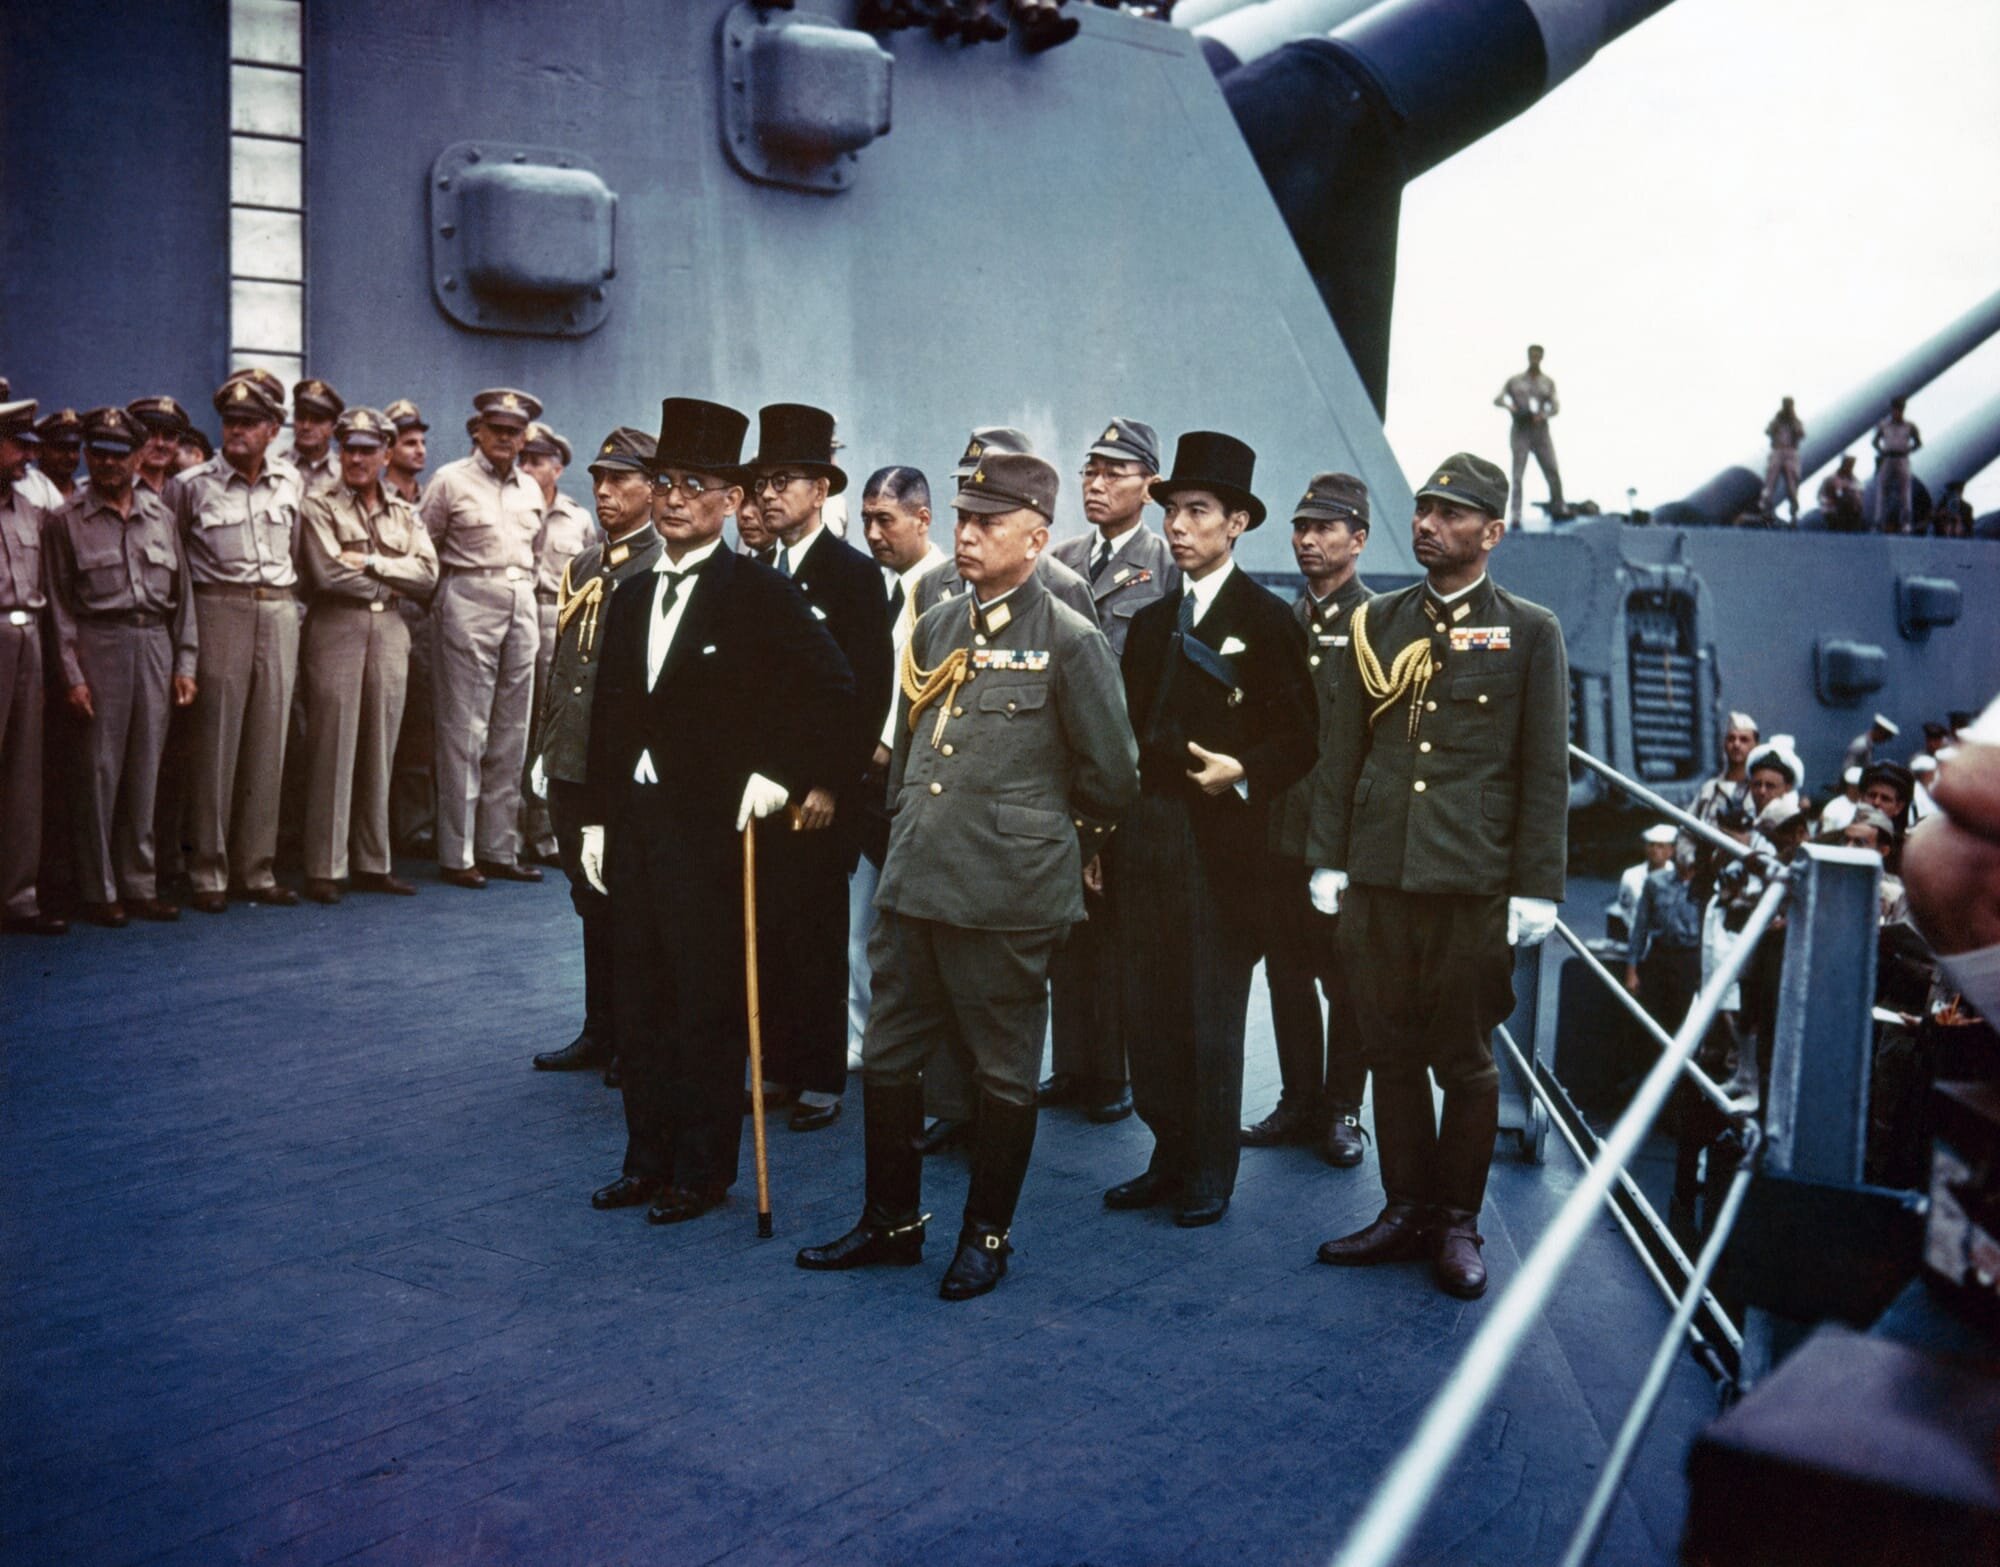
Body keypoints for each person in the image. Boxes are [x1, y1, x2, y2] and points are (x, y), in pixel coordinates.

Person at [797, 449, 1138, 1298]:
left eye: (990, 522)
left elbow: (1113, 776)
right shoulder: (937, 623)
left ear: (1036, 536)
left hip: (1006, 894)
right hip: (918, 880)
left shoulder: (1069, 637)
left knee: (1001, 1069)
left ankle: (986, 1233)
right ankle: (892, 1221)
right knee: (890, 1053)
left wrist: (1048, 845)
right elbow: (914, 751)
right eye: (963, 519)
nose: (970, 534)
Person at [577, 396, 854, 1227]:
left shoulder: (756, 594)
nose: (669, 499)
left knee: (704, 1003)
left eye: (692, 485)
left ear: (731, 502)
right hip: (637, 827)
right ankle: (645, 1159)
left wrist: (781, 770)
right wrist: (595, 818)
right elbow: (611, 712)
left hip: (715, 833)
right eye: (663, 482)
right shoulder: (629, 596)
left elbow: (834, 688)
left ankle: (701, 1172)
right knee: (639, 1000)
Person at [1308, 452, 1569, 1299]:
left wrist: (1538, 885)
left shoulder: (1531, 631)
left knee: (1462, 1056)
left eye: (1451, 514)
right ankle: (1405, 1208)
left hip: (1470, 878)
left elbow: (1542, 770)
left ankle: (1458, 1221)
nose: (1427, 524)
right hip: (1382, 873)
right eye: (1423, 510)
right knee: (1387, 1049)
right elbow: (1341, 751)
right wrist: (1330, 858)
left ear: (1492, 532)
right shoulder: (1377, 620)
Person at [1106, 432, 1317, 1227]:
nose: (1180, 526)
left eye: (1199, 511)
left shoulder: (1265, 621)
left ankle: (1210, 1169)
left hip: (1222, 844)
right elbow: (1126, 729)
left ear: (1237, 524)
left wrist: (1242, 769)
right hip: (1149, 830)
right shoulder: (1157, 621)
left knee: (1208, 1011)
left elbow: (1303, 739)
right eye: (1175, 511)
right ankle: (1167, 1151)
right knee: (1149, 1006)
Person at [743, 402, 895, 1132]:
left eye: (787, 480)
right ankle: (776, 1066)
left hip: (817, 791)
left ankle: (822, 1076)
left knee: (818, 933)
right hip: (758, 788)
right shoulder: (752, 573)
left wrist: (832, 783)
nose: (770, 494)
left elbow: (866, 693)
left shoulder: (854, 577)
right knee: (767, 928)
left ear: (821, 489)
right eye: (763, 481)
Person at [1041, 417, 1179, 1123]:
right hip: (1066, 772)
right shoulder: (1059, 558)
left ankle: (1116, 1070)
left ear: (1149, 485)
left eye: (1114, 473)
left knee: (1124, 925)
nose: (1095, 484)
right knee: (1070, 927)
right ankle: (1074, 1063)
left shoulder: (1166, 565)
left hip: (1128, 774)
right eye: (1090, 471)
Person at [1245, 470, 1374, 1166]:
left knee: (1346, 980)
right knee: (1286, 973)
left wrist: (1352, 850)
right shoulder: (1283, 623)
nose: (1308, 540)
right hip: (1279, 834)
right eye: (1300, 527)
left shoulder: (1377, 624)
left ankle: (1343, 1108)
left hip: (1340, 842)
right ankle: (1298, 1101)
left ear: (1358, 538)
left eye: (1325, 528)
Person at [528, 426, 662, 1080]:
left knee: (630, 897)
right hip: (574, 756)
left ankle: (637, 1034)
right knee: (588, 894)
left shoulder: (657, 565)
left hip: (621, 764)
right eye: (600, 481)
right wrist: (547, 747)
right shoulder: (585, 564)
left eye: (620, 481)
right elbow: (565, 665)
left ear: (652, 488)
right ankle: (599, 1027)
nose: (605, 493)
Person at [46, 408, 198, 926]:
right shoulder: (65, 521)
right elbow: (60, 606)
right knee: (98, 773)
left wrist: (186, 662)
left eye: (118, 455)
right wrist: (72, 675)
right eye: (98, 454)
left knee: (145, 770)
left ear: (137, 458)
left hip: (154, 643)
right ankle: (100, 889)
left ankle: (140, 882)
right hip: (99, 644)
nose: (107, 465)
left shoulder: (161, 515)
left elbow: (184, 600)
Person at [852, 465, 957, 1146]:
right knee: (870, 920)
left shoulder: (945, 587)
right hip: (872, 783)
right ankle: (867, 1042)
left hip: (922, 785)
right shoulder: (878, 587)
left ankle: (944, 1083)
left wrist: (888, 749)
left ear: (923, 518)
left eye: (885, 519)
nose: (872, 533)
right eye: (865, 519)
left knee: (928, 939)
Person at [174, 373, 306, 912]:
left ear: (272, 429)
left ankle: (257, 867)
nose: (237, 431)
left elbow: (295, 550)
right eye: (230, 422)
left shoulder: (291, 482)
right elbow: (179, 567)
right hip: (218, 608)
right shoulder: (192, 486)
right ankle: (207, 870)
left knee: (267, 744)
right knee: (215, 744)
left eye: (249, 423)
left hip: (276, 610)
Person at [296, 408, 438, 904]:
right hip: (338, 622)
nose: (356, 458)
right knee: (332, 746)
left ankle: (373, 861)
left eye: (366, 449)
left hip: (391, 627)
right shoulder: (318, 505)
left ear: (384, 453)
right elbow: (329, 573)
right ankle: (325, 866)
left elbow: (428, 575)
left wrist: (375, 561)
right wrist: (397, 571)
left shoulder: (403, 511)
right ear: (339, 452)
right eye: (348, 448)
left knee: (382, 744)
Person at [420, 388, 548, 888]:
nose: (504, 438)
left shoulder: (532, 489)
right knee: (464, 731)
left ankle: (500, 847)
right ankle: (458, 853)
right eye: (496, 428)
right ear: (478, 430)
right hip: (468, 597)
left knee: (512, 732)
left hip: (521, 601)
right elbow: (424, 548)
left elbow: (534, 554)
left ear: (524, 438)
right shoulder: (450, 481)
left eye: (514, 431)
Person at [914, 427, 1098, 622]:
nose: (974, 489)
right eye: (966, 480)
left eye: (994, 481)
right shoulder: (932, 583)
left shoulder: (1064, 587)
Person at [0, 400, 64, 934]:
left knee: (25, 774)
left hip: (28, 639)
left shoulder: (31, 508)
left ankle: (19, 896)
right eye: (18, 443)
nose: (28, 455)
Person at [520, 422, 597, 866]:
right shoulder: (514, 506)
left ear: (558, 466)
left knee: (549, 725)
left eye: (537, 460)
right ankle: (508, 833)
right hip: (518, 611)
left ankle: (545, 831)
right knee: (512, 730)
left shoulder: (577, 516)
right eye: (523, 460)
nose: (528, 468)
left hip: (559, 616)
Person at [381, 399, 437, 856]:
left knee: (420, 728)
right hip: (385, 615)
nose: (419, 450)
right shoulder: (377, 498)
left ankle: (414, 827)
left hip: (425, 623)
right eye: (408, 442)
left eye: (422, 441)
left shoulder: (430, 496)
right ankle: (376, 829)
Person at [1495, 345, 1563, 528]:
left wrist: (1543, 415)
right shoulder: (1515, 381)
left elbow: (1556, 406)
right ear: (1528, 356)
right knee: (1517, 475)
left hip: (1540, 431)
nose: (1534, 358)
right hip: (1520, 431)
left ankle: (1558, 508)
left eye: (1538, 355)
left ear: (1541, 357)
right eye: (1532, 355)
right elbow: (1498, 399)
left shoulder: (1547, 382)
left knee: (1552, 470)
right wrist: (1511, 407)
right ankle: (1516, 515)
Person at [1609, 823, 1678, 944]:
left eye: (1661, 846)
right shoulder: (1630, 875)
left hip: (1667, 941)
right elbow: (1625, 906)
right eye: (1651, 845)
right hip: (1637, 936)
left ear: (1670, 851)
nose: (1654, 850)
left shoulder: (1677, 875)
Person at [282, 379, 345, 495]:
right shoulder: (276, 467)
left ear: (333, 427)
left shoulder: (344, 473)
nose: (306, 426)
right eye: (301, 417)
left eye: (317, 419)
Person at [1870, 396, 1922, 533]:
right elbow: (1875, 441)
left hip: (1902, 458)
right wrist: (1882, 450)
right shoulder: (1884, 425)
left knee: (1905, 492)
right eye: (1895, 409)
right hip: (1887, 458)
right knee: (1882, 490)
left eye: (1900, 409)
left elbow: (1918, 443)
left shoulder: (1910, 426)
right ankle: (1879, 522)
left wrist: (1908, 449)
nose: (1897, 412)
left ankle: (1905, 523)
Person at [126, 397, 190, 498]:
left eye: (169, 436)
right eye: (151, 435)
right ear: (133, 438)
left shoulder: (185, 493)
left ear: (178, 444)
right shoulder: (115, 487)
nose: (160, 444)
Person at [1760, 397, 1805, 524]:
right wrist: (1777, 423)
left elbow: (1801, 434)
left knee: (1792, 485)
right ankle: (1765, 510)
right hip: (1778, 451)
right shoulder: (1777, 420)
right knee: (1770, 482)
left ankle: (1793, 514)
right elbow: (1768, 431)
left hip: (1790, 452)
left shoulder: (1795, 421)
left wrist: (1793, 423)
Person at [32, 407, 84, 504]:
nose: (70, 456)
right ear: (39, 450)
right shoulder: (26, 494)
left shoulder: (85, 495)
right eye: (61, 448)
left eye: (74, 448)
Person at [1818, 454, 1865, 532]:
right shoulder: (1831, 479)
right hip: (1833, 508)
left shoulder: (1854, 480)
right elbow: (1823, 495)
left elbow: (1859, 494)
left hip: (1849, 510)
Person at [1818, 765, 1863, 835]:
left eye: (1859, 786)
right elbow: (1825, 834)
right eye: (1853, 787)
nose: (1856, 790)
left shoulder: (1867, 805)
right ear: (1848, 786)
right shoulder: (1834, 806)